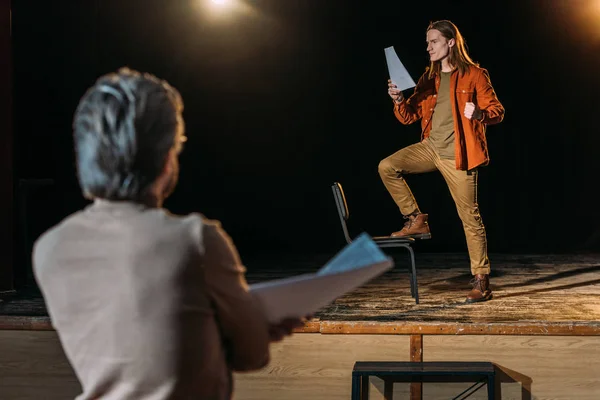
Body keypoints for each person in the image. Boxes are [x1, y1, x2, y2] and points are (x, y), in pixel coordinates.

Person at [32, 67, 306, 400]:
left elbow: (131, 351)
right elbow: (252, 357)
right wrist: (250, 330)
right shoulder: (195, 240)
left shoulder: (49, 248)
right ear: (166, 158)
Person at [378, 20, 505, 303]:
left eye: (433, 41)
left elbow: (497, 111)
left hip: (459, 155)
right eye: (427, 42)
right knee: (387, 166)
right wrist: (399, 99)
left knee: (470, 218)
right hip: (431, 148)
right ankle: (415, 219)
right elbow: (409, 116)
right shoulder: (429, 78)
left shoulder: (474, 75)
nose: (428, 47)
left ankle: (481, 281)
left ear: (450, 42)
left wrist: (480, 114)